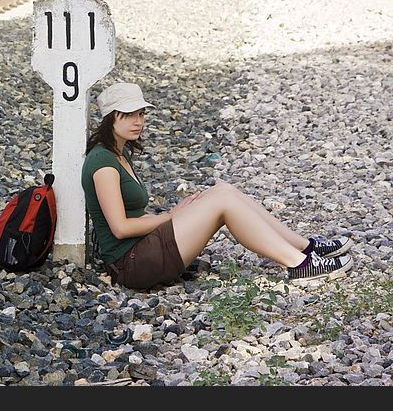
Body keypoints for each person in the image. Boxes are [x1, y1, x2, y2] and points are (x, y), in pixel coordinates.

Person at [81, 82, 353, 290]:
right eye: (129, 115)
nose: (138, 121)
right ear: (111, 117)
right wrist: (170, 217)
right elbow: (121, 227)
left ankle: (306, 248)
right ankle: (299, 265)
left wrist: (175, 214)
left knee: (222, 191)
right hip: (133, 264)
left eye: (141, 113)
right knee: (221, 202)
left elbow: (134, 217)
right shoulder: (103, 163)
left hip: (143, 249)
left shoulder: (120, 152)